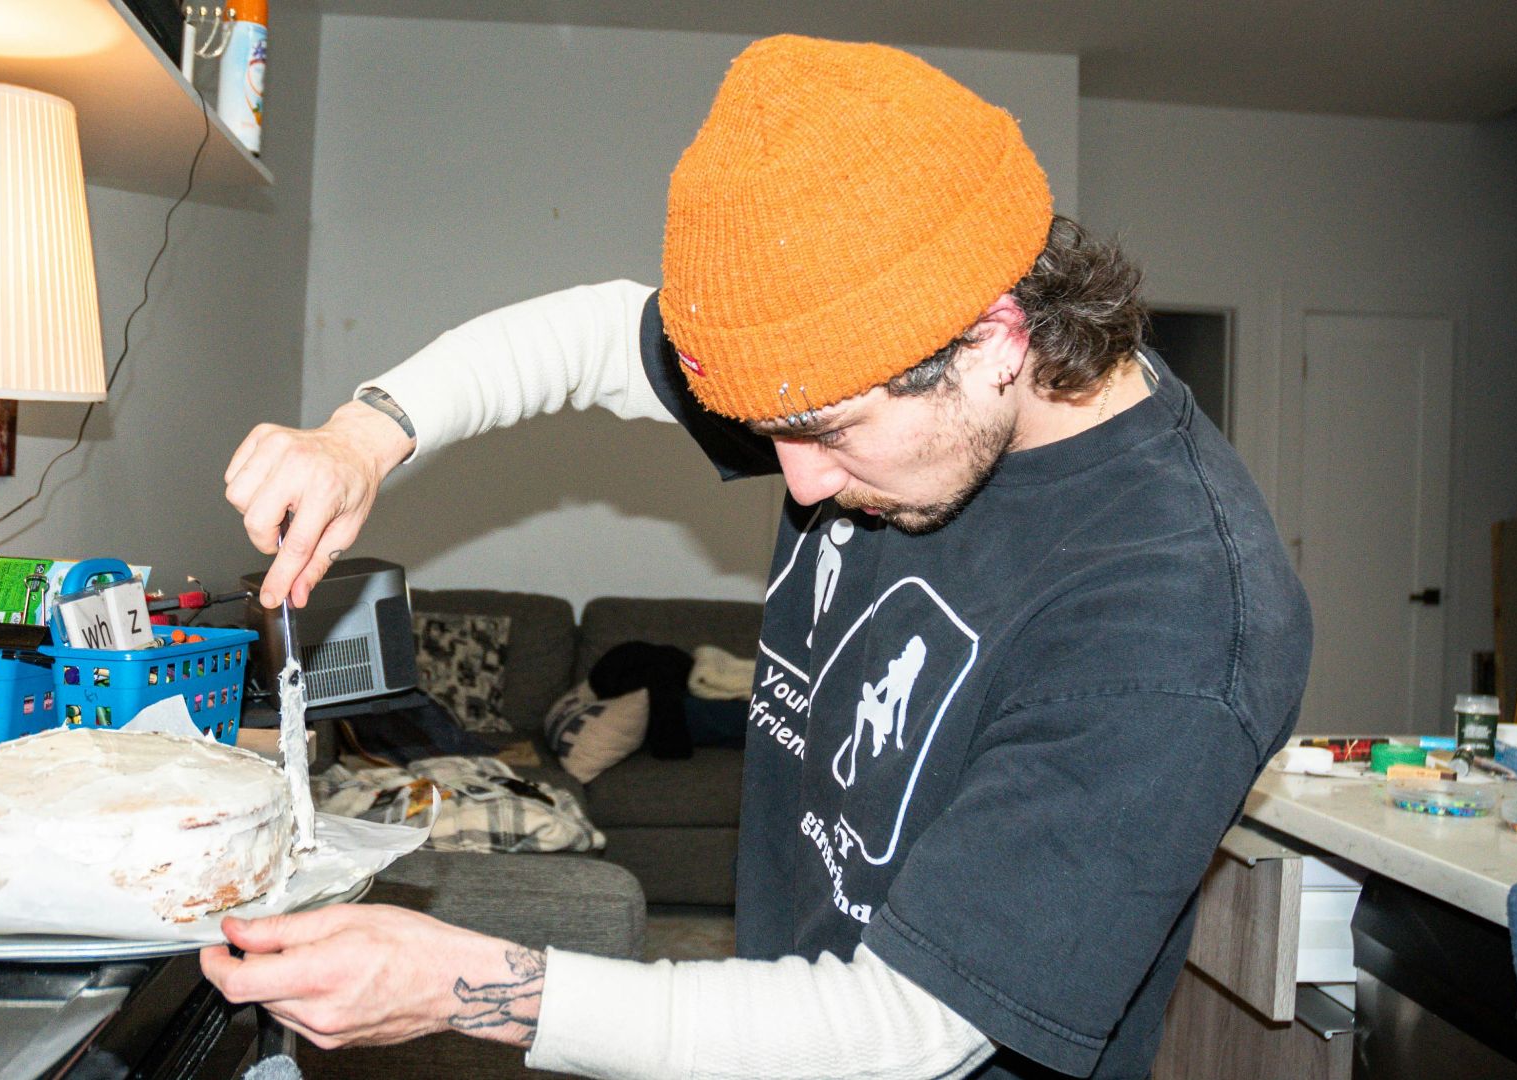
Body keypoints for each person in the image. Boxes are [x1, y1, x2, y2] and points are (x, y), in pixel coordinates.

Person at [208, 34, 1312, 1080]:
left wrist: (469, 988)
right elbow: (599, 337)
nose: (801, 486)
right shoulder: (858, 361)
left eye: (829, 432)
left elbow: (914, 1029)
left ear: (995, 341)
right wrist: (365, 437)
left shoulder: (1174, 614)